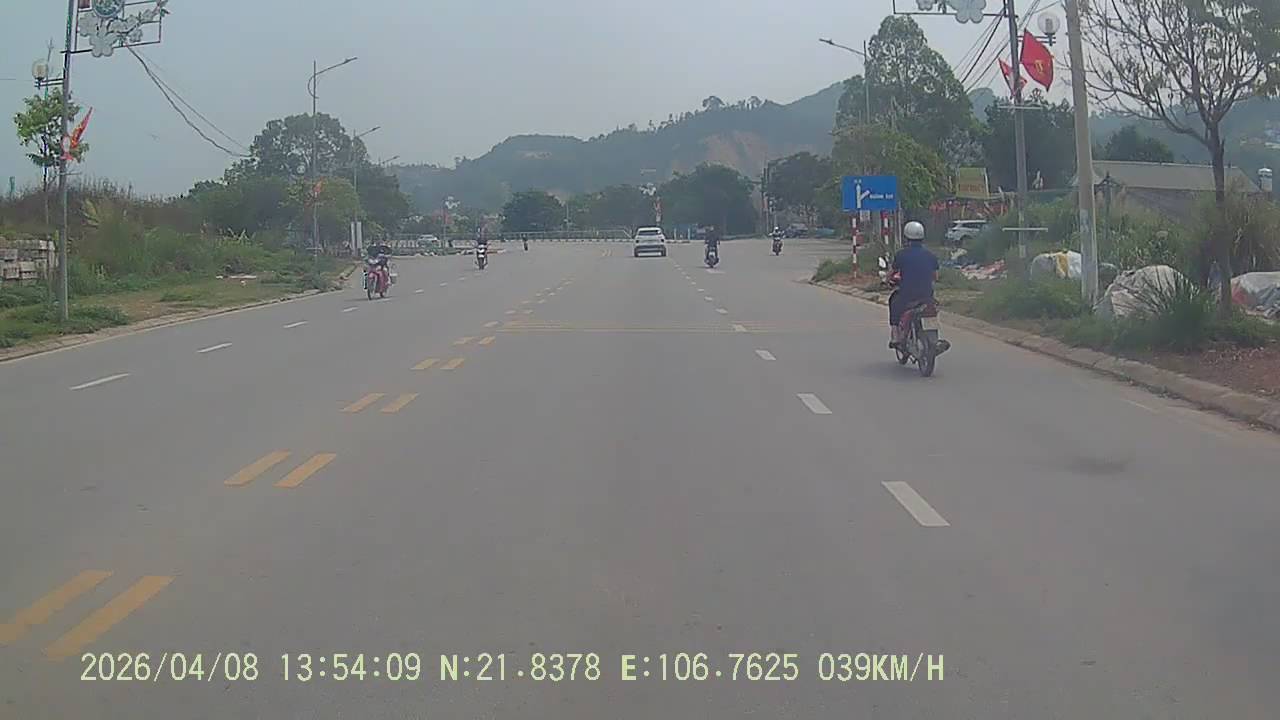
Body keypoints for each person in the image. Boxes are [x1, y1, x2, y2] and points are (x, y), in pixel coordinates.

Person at [888, 221, 939, 348]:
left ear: (906, 237)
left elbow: (892, 273)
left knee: (894, 302)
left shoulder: (901, 255)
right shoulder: (931, 255)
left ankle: (895, 335)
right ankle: (934, 340)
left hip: (908, 295)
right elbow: (935, 276)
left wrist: (887, 280)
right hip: (927, 295)